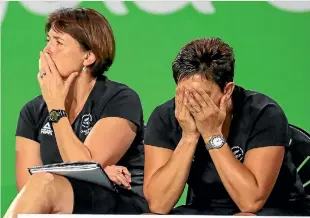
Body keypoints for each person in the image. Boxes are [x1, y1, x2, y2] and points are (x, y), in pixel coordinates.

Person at [4, 7, 149, 217]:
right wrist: (101, 172)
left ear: (88, 56)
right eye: (48, 40)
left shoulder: (120, 99)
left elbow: (83, 165)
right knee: (41, 184)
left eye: (58, 42)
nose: (47, 50)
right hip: (64, 200)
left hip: (118, 201)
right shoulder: (33, 110)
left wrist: (56, 107)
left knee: (45, 182)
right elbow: (28, 187)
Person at [143, 37, 310, 215]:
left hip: (275, 209)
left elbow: (250, 202)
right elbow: (158, 205)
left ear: (228, 90)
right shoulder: (165, 116)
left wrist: (212, 134)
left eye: (203, 95)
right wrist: (189, 137)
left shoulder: (264, 113)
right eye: (185, 94)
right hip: (205, 210)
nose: (192, 104)